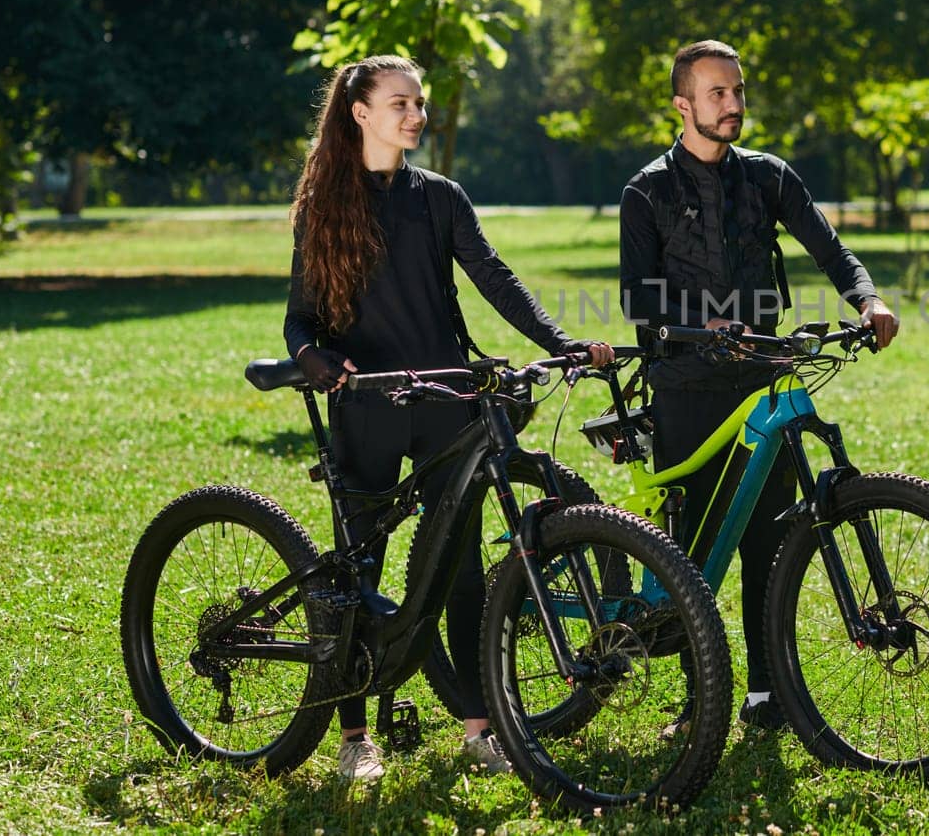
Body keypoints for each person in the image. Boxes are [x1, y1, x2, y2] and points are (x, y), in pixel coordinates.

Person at [284, 54, 612, 782]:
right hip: (366, 403)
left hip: (446, 398)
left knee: (462, 572)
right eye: (400, 102)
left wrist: (560, 343)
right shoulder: (324, 206)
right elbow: (299, 324)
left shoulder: (440, 197)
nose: (415, 115)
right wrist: (313, 361)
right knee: (356, 570)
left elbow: (494, 276)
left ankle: (476, 726)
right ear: (360, 112)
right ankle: (356, 736)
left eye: (420, 103)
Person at [618, 39, 898, 732]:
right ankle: (697, 699)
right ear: (682, 105)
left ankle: (767, 696)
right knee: (692, 551)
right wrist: (700, 323)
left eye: (739, 91)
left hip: (763, 384)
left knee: (767, 545)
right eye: (718, 93)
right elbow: (638, 300)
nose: (735, 104)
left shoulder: (770, 178)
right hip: (684, 386)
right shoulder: (647, 190)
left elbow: (831, 248)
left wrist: (868, 299)